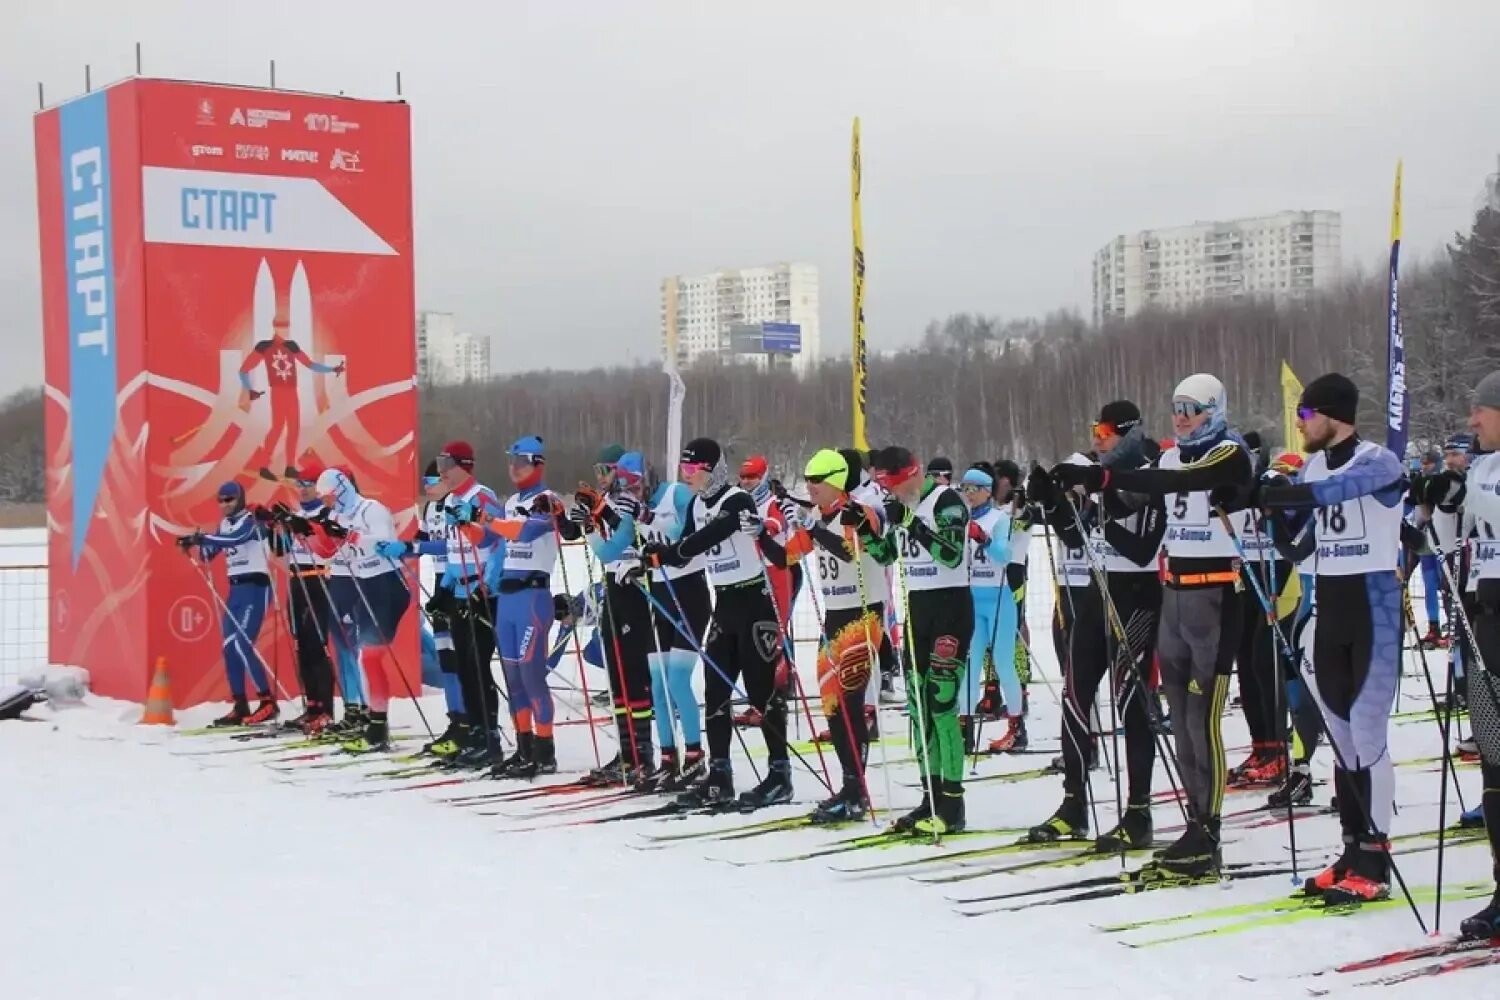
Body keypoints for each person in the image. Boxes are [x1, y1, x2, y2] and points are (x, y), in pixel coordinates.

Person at [1051, 374, 1253, 878]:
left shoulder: (1228, 453)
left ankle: (1209, 832)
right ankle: (1192, 824)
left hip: (1217, 593)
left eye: (1192, 408)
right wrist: (1070, 494)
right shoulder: (1166, 458)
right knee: (1181, 721)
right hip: (1174, 593)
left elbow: (1178, 483)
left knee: (1203, 721)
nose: (1181, 417)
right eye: (1176, 407)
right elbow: (1128, 509)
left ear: (1215, 410)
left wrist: (1106, 479)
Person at [1255, 373, 1408, 904]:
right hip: (1332, 607)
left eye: (1305, 415)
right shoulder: (1315, 464)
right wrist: (1268, 509)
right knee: (1343, 743)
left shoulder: (1378, 461)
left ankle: (1377, 857)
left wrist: (1282, 493)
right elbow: (1302, 545)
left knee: (1369, 737)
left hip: (1375, 609)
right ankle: (1351, 852)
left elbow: (1340, 492)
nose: (1300, 425)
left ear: (1333, 414)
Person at [1029, 402, 1167, 852]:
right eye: (1094, 429)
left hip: (1138, 598)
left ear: (1127, 433)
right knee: (1074, 696)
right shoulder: (1097, 475)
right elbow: (1076, 536)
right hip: (1096, 593)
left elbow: (1145, 549)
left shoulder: (1148, 474)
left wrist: (1098, 508)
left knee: (1132, 704)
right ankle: (1073, 806)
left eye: (1106, 430)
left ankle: (1138, 813)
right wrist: (1052, 504)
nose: (1098, 437)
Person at [641, 437, 794, 812]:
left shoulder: (735, 500)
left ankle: (779, 774)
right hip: (724, 604)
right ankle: (720, 774)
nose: (686, 476)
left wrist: (675, 552)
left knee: (763, 693)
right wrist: (655, 552)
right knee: (715, 693)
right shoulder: (695, 505)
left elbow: (711, 537)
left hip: (755, 602)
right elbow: (685, 546)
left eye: (692, 469)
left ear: (711, 469)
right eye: (683, 469)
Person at [1410, 370, 1500, 937]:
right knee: (1494, 762)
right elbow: (1445, 543)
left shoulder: (1486, 477)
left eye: (1483, 410)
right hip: (1484, 622)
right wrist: (1439, 503)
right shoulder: (1483, 467)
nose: (1472, 421)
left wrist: (1468, 490)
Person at [871, 446, 973, 835]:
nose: (892, 493)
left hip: (950, 607)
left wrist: (911, 522)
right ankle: (929, 796)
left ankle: (952, 803)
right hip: (918, 607)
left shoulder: (947, 502)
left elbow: (950, 554)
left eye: (894, 484)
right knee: (918, 707)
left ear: (911, 474)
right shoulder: (904, 506)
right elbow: (885, 555)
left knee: (942, 705)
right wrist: (865, 529)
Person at [788, 448, 893, 823]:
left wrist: (815, 530)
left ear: (834, 481)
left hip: (863, 614)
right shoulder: (819, 514)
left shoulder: (856, 512)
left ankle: (856, 791)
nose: (810, 487)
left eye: (816, 481)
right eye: (808, 480)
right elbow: (788, 555)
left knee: (849, 703)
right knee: (831, 705)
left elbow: (850, 551)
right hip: (834, 616)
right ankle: (850, 786)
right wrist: (760, 535)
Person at [477, 436, 582, 777]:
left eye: (521, 462)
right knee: (511, 678)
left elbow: (523, 534)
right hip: (508, 600)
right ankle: (523, 749)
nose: (514, 467)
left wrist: (482, 518)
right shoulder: (510, 503)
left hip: (533, 598)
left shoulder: (546, 500)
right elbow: (490, 538)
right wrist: (465, 521)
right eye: (511, 461)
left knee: (531, 676)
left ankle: (545, 751)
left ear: (538, 465)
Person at [307, 468, 410, 752]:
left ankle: (377, 726)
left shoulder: (371, 509)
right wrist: (307, 531)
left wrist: (349, 536)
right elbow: (325, 552)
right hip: (362, 586)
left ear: (341, 490)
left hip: (386, 584)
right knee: (366, 657)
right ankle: (375, 724)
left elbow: (383, 545)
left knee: (369, 656)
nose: (327, 504)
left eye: (328, 497)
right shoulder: (335, 515)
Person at [574, 447, 658, 784]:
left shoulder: (632, 503)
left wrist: (597, 522)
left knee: (634, 672)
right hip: (614, 588)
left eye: (607, 469)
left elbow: (617, 542)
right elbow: (603, 547)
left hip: (637, 590)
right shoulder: (612, 502)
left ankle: (643, 754)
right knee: (617, 673)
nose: (602, 477)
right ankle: (627, 753)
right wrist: (586, 521)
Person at [636, 455, 713, 792]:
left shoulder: (677, 494)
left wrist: (650, 518)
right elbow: (622, 546)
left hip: (689, 592)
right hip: (659, 592)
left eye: (635, 483)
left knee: (679, 680)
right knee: (658, 683)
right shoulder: (635, 503)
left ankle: (695, 756)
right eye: (626, 485)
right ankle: (669, 758)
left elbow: (689, 531)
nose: (632, 491)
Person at [178, 481, 278, 726]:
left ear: (240, 499)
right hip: (236, 591)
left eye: (230, 500)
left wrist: (203, 539)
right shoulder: (224, 525)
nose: (225, 505)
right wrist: (195, 545)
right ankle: (240, 704)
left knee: (243, 645)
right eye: (221, 501)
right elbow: (211, 551)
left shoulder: (252, 519)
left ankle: (267, 702)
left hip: (256, 587)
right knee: (229, 648)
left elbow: (236, 539)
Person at [269, 461, 337, 735]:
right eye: (300, 484)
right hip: (297, 580)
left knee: (317, 646)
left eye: (309, 485)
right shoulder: (296, 513)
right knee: (302, 647)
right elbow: (279, 551)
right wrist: (275, 528)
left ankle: (327, 711)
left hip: (319, 579)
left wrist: (298, 524)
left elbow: (327, 544)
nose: (304, 490)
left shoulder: (327, 514)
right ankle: (312, 706)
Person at [957, 464, 1020, 755]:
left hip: (998, 598)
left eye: (972, 489)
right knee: (969, 666)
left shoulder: (999, 518)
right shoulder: (963, 517)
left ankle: (1017, 728)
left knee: (1003, 664)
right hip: (972, 598)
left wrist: (983, 538)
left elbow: (1005, 556)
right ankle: (964, 730)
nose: (967, 494)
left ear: (986, 491)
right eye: (964, 488)